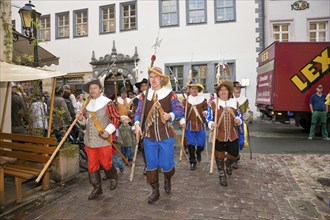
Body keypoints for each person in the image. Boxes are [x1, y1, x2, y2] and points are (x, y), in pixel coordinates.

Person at [134, 67, 185, 204]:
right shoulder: (144, 95)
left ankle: (167, 178)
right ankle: (155, 191)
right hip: (149, 137)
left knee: (167, 165)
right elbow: (138, 112)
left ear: (162, 79)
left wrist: (171, 115)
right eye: (151, 76)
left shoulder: (170, 94)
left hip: (166, 135)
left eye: (156, 76)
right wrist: (137, 124)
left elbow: (180, 110)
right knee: (151, 165)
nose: (153, 79)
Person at [77, 78, 120, 200]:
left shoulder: (108, 103)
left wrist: (108, 131)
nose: (92, 90)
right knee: (92, 166)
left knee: (106, 164)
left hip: (103, 140)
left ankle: (113, 176)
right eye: (90, 88)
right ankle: (97, 188)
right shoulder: (86, 104)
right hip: (89, 141)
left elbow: (116, 118)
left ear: (100, 89)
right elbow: (86, 123)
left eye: (95, 88)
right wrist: (81, 120)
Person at [206, 80, 242, 187]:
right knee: (219, 155)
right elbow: (208, 118)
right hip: (219, 134)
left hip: (232, 134)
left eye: (225, 89)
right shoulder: (213, 104)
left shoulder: (234, 103)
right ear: (218, 92)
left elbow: (240, 116)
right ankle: (222, 174)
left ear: (229, 91)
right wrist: (211, 123)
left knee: (235, 154)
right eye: (221, 90)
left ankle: (228, 163)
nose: (223, 92)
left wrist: (238, 120)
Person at [181, 81, 208, 170]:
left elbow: (207, 109)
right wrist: (182, 121)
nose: (194, 90)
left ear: (198, 89)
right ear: (189, 90)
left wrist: (206, 112)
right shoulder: (186, 100)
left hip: (200, 125)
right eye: (192, 88)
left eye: (196, 88)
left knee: (201, 144)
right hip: (189, 126)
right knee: (190, 144)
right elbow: (182, 113)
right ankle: (192, 161)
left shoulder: (203, 100)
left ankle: (198, 152)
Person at [232, 81, 250, 169]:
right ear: (232, 89)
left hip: (240, 124)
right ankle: (231, 158)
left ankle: (236, 159)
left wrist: (246, 116)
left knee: (239, 142)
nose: (238, 90)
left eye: (239, 88)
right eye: (236, 88)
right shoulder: (229, 99)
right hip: (230, 124)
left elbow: (247, 111)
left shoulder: (244, 100)